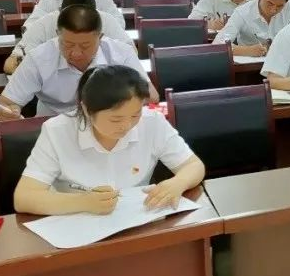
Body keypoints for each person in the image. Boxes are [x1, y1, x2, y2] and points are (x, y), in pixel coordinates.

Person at [13, 65, 205, 216]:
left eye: (135, 115)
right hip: (79, 224)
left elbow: (194, 166)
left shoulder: (151, 122)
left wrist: (178, 183)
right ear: (87, 110)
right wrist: (83, 202)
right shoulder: (57, 131)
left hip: (138, 219)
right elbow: (24, 198)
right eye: (116, 119)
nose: (127, 126)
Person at [0, 5, 155, 120]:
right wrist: (8, 112)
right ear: (58, 34)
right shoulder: (38, 58)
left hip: (108, 125)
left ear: (100, 37)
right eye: (68, 44)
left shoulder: (121, 53)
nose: (76, 53)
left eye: (85, 46)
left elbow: (151, 96)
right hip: (53, 131)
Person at [4, 0, 132, 74]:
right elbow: (10, 65)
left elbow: (131, 53)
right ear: (60, 11)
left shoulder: (107, 20)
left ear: (96, 13)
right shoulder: (44, 24)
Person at [214, 0, 290, 57]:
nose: (273, 10)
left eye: (280, 6)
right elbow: (218, 44)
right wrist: (247, 50)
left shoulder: (289, 7)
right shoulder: (242, 12)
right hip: (250, 64)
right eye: (270, 4)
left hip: (282, 61)